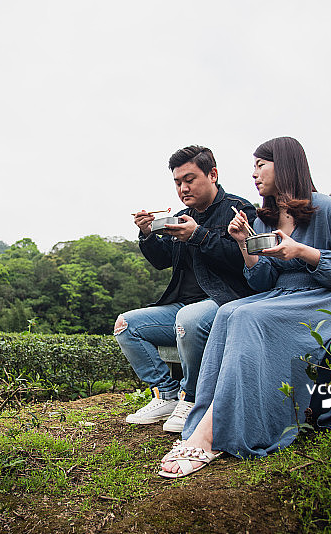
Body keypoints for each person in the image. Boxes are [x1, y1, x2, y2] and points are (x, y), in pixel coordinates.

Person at [159, 136, 331, 477]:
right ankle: (211, 419)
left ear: (284, 164)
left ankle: (211, 434)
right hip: (281, 296)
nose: (254, 174)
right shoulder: (266, 219)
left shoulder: (327, 208)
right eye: (253, 167)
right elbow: (262, 281)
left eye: (261, 165)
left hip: (323, 299)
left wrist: (301, 251)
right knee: (229, 312)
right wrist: (244, 244)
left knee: (247, 316)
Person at [115, 145, 256, 432]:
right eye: (178, 182)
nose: (183, 188)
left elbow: (245, 260)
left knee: (189, 319)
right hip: (182, 304)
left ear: (213, 174)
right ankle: (165, 394)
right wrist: (147, 234)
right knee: (126, 325)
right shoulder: (180, 215)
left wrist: (199, 236)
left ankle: (190, 398)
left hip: (226, 301)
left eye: (190, 179)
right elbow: (161, 260)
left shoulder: (239, 209)